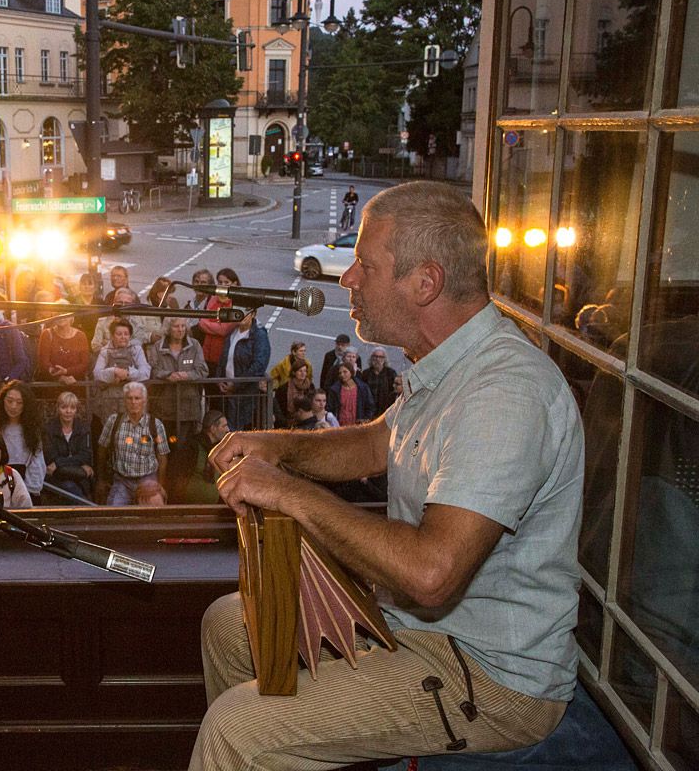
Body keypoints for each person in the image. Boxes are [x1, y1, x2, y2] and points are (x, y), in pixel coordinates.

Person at [193, 181, 584, 770]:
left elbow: (430, 575)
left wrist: (287, 492)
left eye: (364, 266)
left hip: (490, 673)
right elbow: (379, 442)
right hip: (422, 630)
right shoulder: (450, 364)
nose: (347, 280)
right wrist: (271, 447)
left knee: (237, 728)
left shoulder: (505, 394)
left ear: (424, 283)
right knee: (228, 624)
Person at [95, 381, 169, 506]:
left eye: (137, 398)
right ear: (124, 401)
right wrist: (101, 480)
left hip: (147, 480)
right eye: (129, 398)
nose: (133, 402)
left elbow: (162, 457)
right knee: (113, 514)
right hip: (122, 480)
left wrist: (160, 485)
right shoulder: (113, 421)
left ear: (144, 401)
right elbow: (101, 451)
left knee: (153, 514)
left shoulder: (155, 425)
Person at [147, 316, 208, 445]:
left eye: (183, 326)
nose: (180, 330)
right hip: (164, 407)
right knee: (165, 445)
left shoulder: (195, 345)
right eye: (176, 326)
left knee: (184, 447)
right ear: (169, 329)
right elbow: (152, 370)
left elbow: (203, 370)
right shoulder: (158, 347)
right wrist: (168, 375)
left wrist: (187, 375)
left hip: (188, 407)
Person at [0, 380, 45, 503]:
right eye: (10, 401)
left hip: (26, 493)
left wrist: (24, 491)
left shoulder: (32, 430)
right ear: (2, 401)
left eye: (19, 402)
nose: (13, 406)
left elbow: (37, 465)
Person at [216, 309, 271, 431]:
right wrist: (219, 379)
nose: (240, 317)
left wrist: (235, 384)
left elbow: (259, 365)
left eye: (245, 314)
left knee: (239, 430)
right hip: (227, 391)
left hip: (245, 394)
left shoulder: (259, 335)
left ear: (253, 315)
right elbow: (223, 358)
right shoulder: (233, 331)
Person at [92, 318, 151, 429]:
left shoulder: (136, 349)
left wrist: (128, 374)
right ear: (113, 335)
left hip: (133, 400)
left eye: (126, 334)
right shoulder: (105, 351)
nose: (123, 337)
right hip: (110, 400)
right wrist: (114, 371)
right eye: (119, 334)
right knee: (112, 430)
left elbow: (145, 372)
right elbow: (97, 373)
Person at [168, 409, 229, 505]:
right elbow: (177, 476)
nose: (228, 430)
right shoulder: (192, 447)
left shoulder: (222, 449)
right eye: (224, 426)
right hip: (189, 509)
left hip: (214, 510)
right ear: (213, 428)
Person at [43, 391, 93, 500]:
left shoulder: (83, 428)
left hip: (79, 478)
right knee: (69, 486)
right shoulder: (49, 429)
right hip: (58, 477)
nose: (68, 411)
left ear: (76, 410)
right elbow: (51, 457)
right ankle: (86, 511)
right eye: (64, 407)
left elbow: (85, 455)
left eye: (72, 407)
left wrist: (58, 463)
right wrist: (77, 464)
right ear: (58, 408)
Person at [197, 269, 240, 371]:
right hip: (207, 352)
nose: (222, 285)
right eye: (220, 282)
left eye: (226, 282)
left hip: (224, 355)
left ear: (235, 284)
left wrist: (207, 324)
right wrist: (216, 326)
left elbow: (224, 330)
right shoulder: (213, 298)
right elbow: (202, 321)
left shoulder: (237, 303)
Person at [36, 306, 90, 385]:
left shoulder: (81, 336)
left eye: (64, 313)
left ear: (71, 316)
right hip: (51, 384)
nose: (61, 316)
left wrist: (67, 371)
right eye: (57, 313)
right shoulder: (46, 334)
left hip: (75, 382)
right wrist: (60, 377)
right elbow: (44, 363)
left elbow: (84, 364)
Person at [326, 359, 376, 426]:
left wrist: (366, 420)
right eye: (340, 373)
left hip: (358, 426)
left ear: (351, 372)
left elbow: (370, 406)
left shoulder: (362, 388)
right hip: (339, 426)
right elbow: (330, 408)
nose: (342, 375)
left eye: (345, 372)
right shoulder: (335, 390)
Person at [273, 361, 317, 428]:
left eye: (305, 371)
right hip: (287, 423)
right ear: (293, 372)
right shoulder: (283, 389)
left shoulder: (310, 386)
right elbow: (279, 410)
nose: (303, 373)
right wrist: (286, 423)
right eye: (300, 371)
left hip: (307, 421)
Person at [363, 346, 400, 414]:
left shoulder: (390, 373)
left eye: (380, 357)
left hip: (386, 409)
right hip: (369, 411)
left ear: (384, 359)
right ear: (371, 358)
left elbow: (395, 391)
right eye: (375, 356)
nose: (377, 359)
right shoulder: (366, 373)